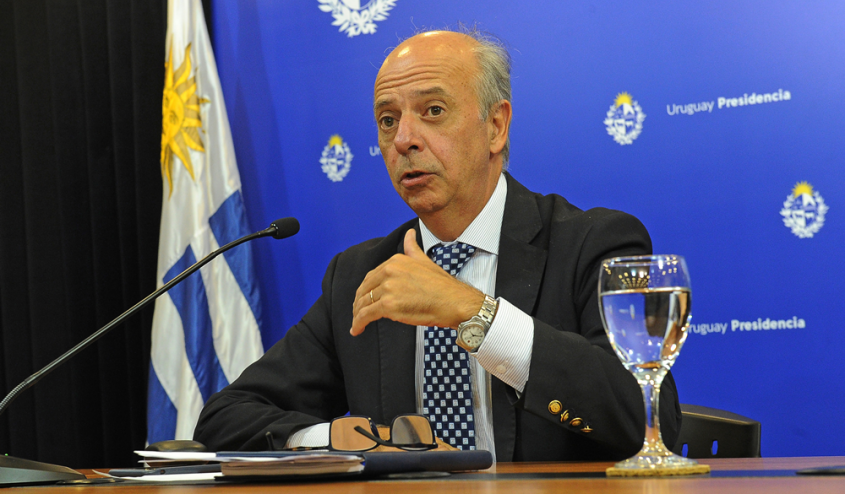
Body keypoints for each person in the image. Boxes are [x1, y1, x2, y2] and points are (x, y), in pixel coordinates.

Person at [193, 29, 682, 462]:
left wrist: (475, 313)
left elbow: (647, 418)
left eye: (433, 111)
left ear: (496, 126)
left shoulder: (592, 244)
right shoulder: (361, 276)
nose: (404, 139)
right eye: (388, 120)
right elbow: (226, 417)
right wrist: (338, 440)